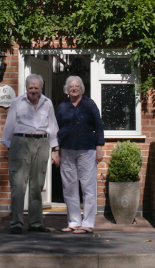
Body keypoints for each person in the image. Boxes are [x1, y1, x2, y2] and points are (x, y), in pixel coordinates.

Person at [1, 74, 59, 234]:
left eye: (36, 88)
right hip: (20, 142)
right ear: (26, 88)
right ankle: (17, 223)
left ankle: (35, 222)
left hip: (41, 143)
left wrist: (55, 149)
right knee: (18, 184)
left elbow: (53, 126)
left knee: (37, 184)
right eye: (30, 88)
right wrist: (8, 148)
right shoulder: (17, 103)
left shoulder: (48, 104)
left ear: (41, 88)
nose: (33, 91)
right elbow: (9, 125)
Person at [54, 75, 104, 234]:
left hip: (87, 150)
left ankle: (88, 223)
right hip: (66, 151)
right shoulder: (62, 107)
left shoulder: (89, 105)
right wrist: (55, 151)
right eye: (71, 86)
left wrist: (99, 147)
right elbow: (55, 130)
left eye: (77, 86)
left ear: (81, 88)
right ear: (67, 89)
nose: (74, 88)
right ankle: (74, 222)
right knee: (69, 188)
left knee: (88, 187)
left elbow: (99, 126)